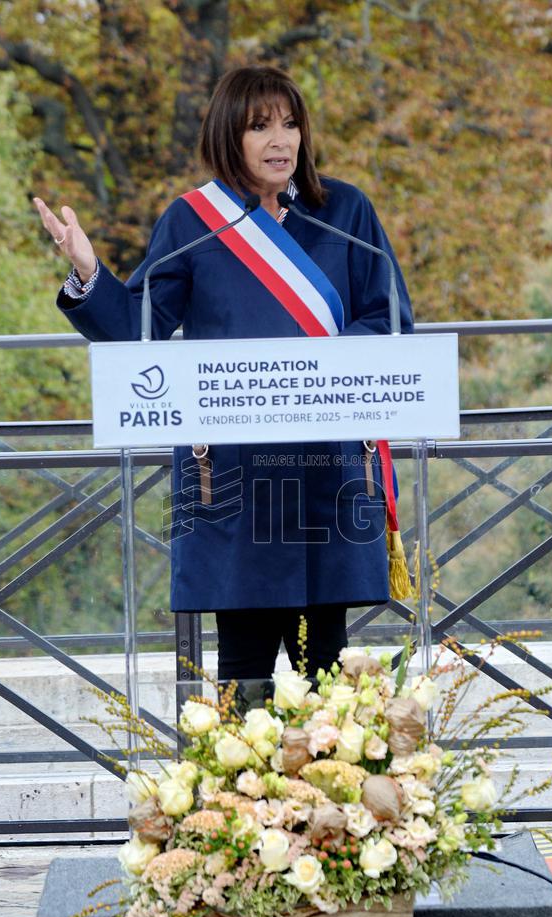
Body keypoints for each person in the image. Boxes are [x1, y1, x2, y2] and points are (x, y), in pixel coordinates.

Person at [34, 65, 413, 681]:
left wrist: (311, 374)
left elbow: (389, 319)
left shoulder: (343, 211)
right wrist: (87, 268)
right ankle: (238, 780)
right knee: (243, 670)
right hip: (234, 474)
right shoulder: (192, 222)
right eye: (260, 126)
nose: (280, 140)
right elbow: (139, 330)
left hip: (326, 468)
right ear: (227, 135)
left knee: (327, 671)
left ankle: (338, 781)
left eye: (290, 125)